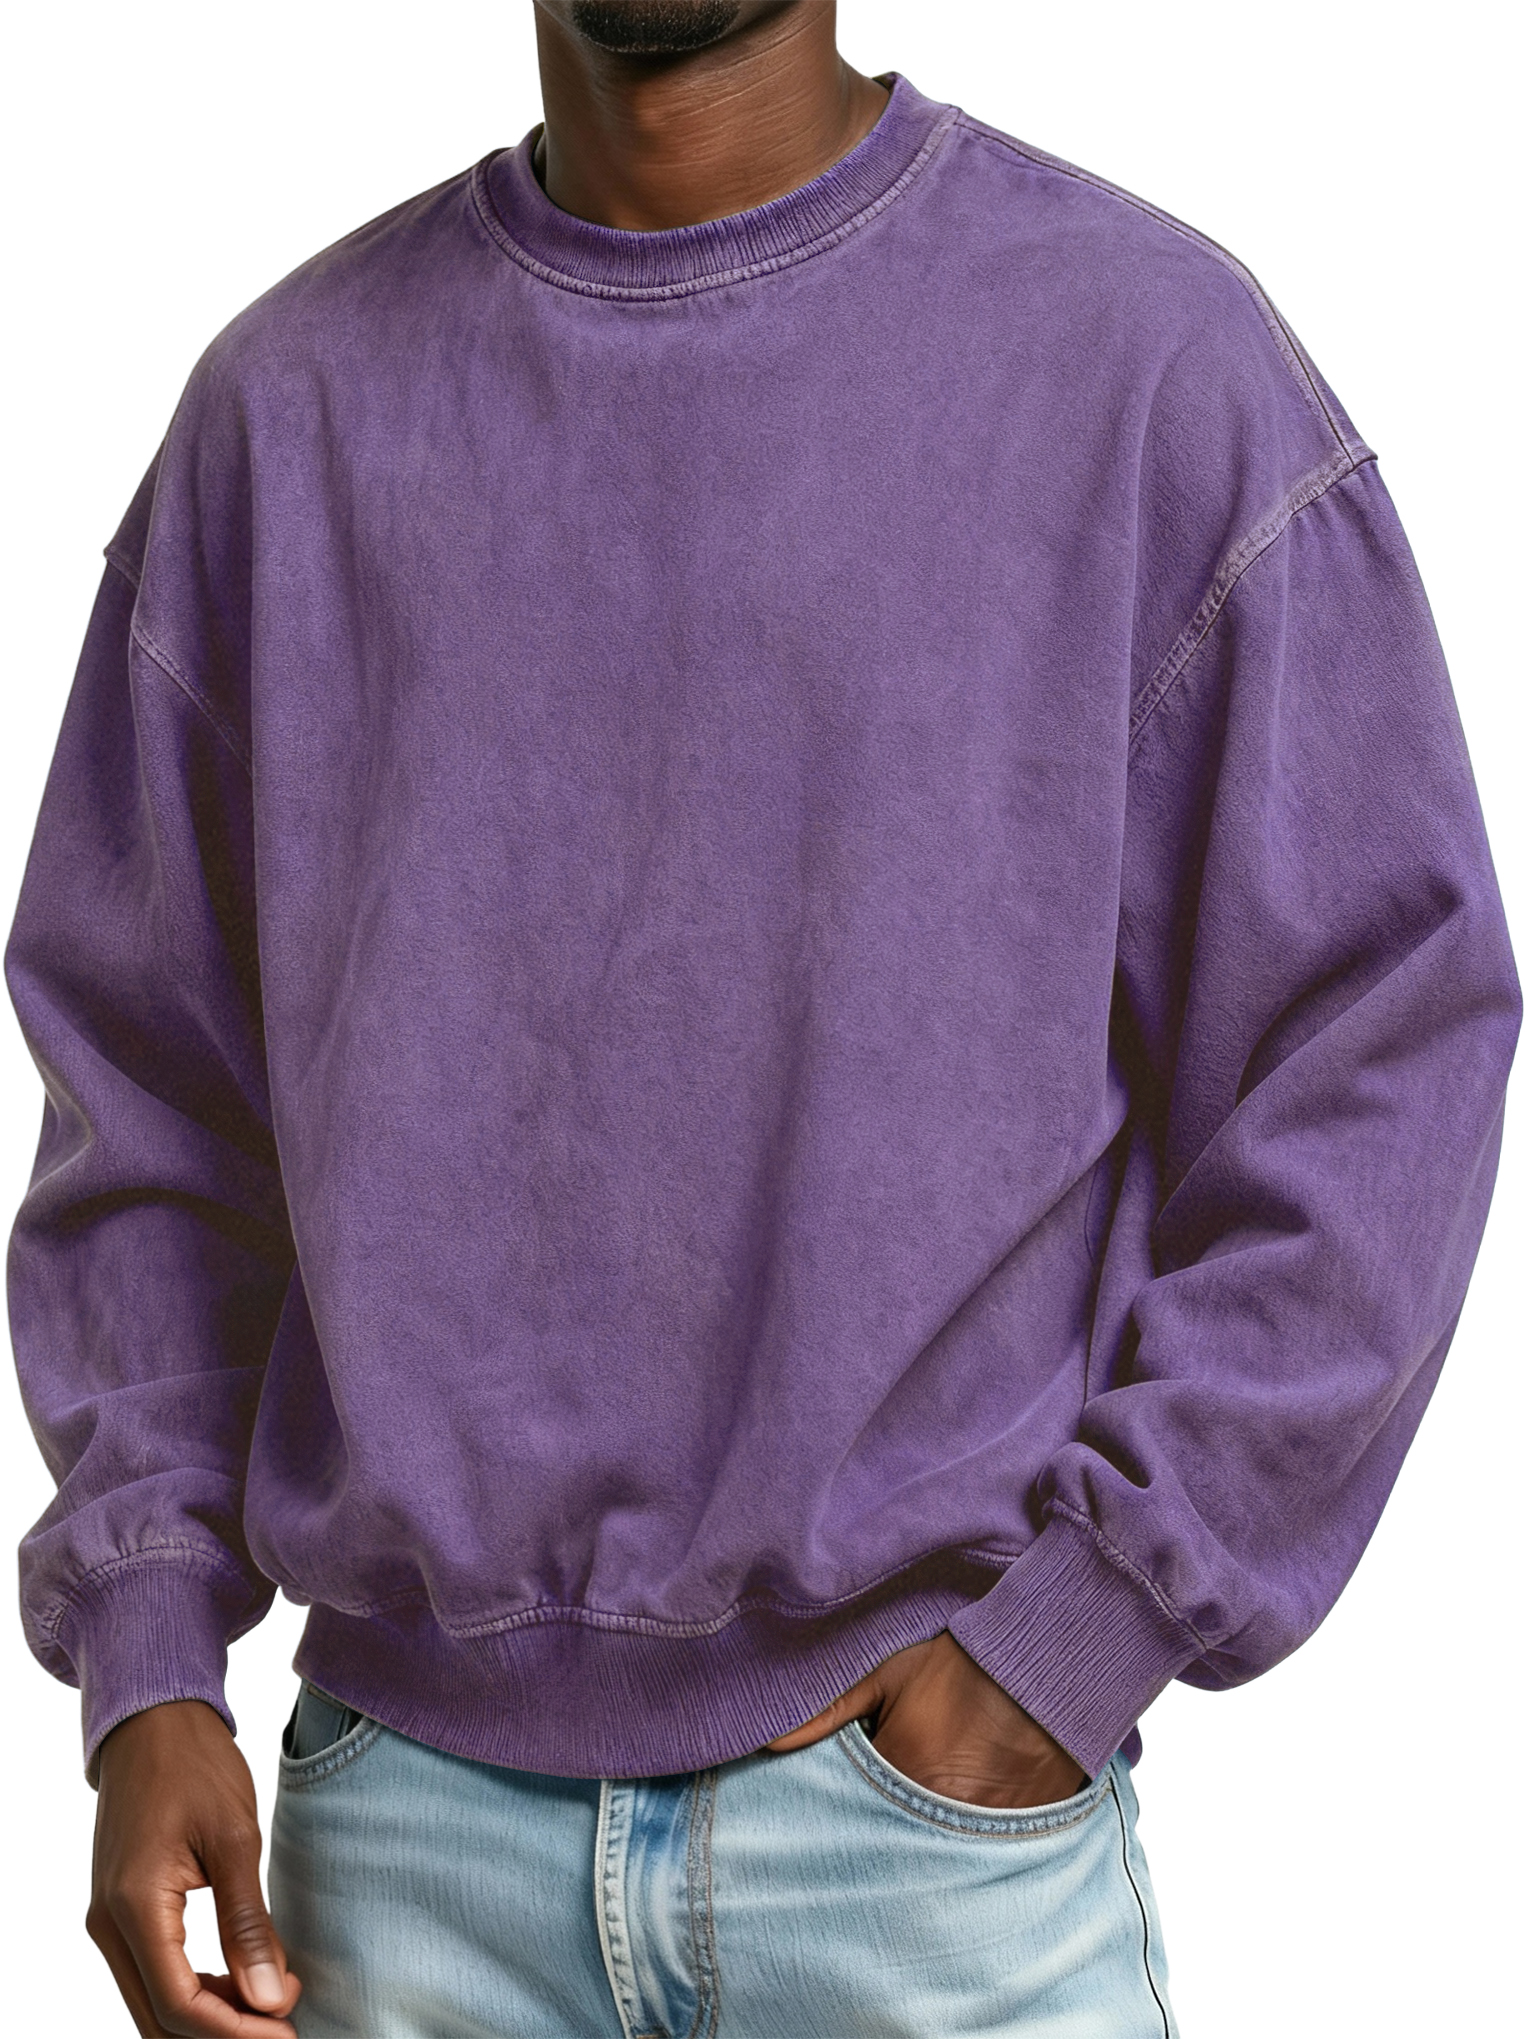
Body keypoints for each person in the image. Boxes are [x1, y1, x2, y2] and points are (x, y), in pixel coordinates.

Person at [5, 1, 1518, 2033]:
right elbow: (150, 1113)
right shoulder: (287, 419)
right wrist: (149, 1663)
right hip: (401, 1859)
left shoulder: (1147, 368)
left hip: (926, 1863)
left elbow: (1380, 1036)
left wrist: (1075, 1640)